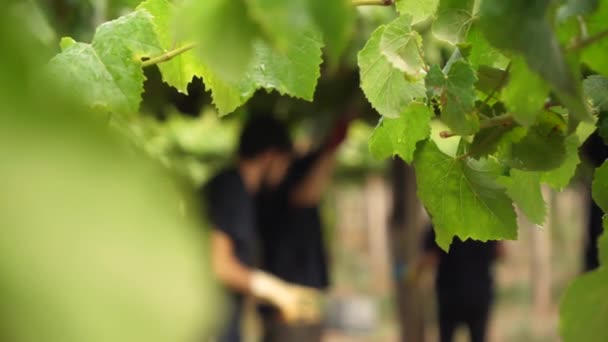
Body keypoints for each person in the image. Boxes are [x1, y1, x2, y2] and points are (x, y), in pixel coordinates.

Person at [204, 116, 321, 342]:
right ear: (270, 157)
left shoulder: (237, 191)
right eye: (286, 161)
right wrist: (277, 291)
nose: (286, 171)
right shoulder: (231, 189)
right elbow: (219, 265)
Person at [255, 117, 350, 342]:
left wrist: (333, 142)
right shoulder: (267, 193)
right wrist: (332, 147)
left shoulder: (297, 168)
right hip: (286, 300)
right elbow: (305, 195)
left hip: (306, 295)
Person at [417, 228, 502, 342]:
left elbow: (430, 258)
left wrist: (413, 272)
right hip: (479, 292)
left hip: (450, 294)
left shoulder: (440, 224)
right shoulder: (486, 223)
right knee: (478, 337)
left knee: (446, 337)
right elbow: (501, 252)